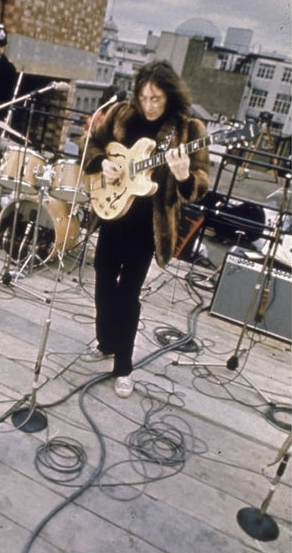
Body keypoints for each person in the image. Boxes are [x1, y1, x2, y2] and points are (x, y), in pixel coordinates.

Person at [80, 60, 210, 397]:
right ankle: (106, 341)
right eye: (144, 97)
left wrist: (183, 177)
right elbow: (92, 144)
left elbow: (201, 183)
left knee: (129, 293)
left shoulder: (187, 130)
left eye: (157, 99)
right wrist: (103, 163)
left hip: (149, 224)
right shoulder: (122, 114)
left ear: (169, 96)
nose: (149, 106)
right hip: (112, 211)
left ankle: (123, 365)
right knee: (103, 279)